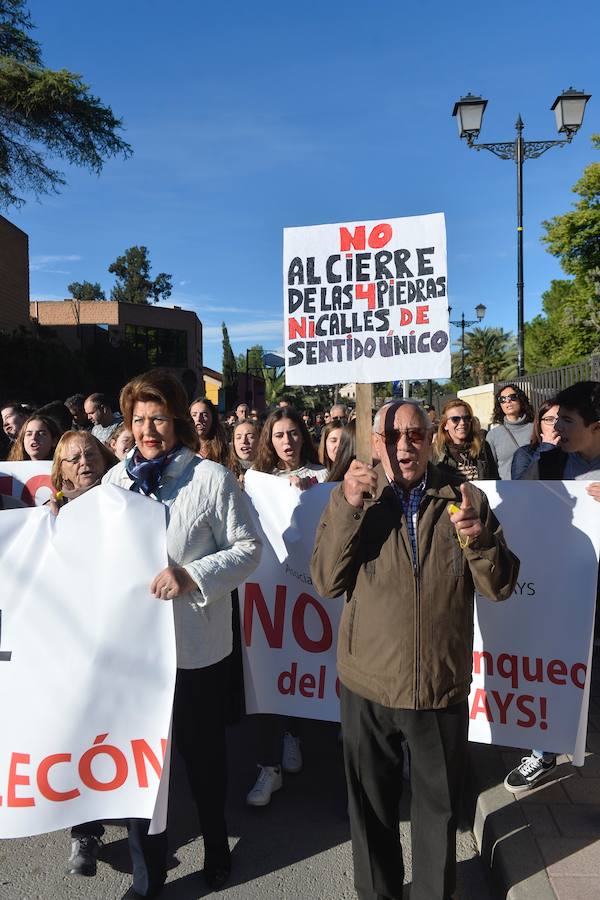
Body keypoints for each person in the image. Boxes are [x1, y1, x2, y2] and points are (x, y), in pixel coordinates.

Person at [311, 400, 519, 900]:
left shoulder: (463, 496)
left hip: (439, 687)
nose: (404, 446)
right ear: (376, 442)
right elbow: (325, 580)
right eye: (392, 436)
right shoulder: (356, 494)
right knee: (371, 813)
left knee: (438, 814)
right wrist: (346, 504)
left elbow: (500, 586)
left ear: (431, 438)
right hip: (369, 685)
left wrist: (480, 538)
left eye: (415, 434)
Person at [104, 370, 261, 898]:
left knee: (202, 759)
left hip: (195, 650)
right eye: (139, 419)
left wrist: (191, 574)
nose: (149, 429)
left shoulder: (209, 479)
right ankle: (149, 875)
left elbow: (248, 549)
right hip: (136, 656)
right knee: (142, 768)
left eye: (160, 418)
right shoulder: (115, 483)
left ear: (177, 422)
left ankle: (216, 847)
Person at [504, 381, 600, 794]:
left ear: (595, 426)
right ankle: (542, 752)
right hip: (561, 586)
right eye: (554, 417)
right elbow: (522, 501)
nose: (556, 425)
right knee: (551, 666)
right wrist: (544, 452)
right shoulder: (553, 459)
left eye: (567, 420)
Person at [245, 407, 327, 807]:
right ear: (269, 440)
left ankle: (293, 736)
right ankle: (269, 767)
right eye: (278, 435)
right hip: (269, 591)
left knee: (302, 667)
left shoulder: (325, 477)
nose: (287, 441)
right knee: (267, 671)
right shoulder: (259, 482)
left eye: (293, 433)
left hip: (311, 589)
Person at [48, 430, 118, 875]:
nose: (82, 463)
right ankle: (84, 832)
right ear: (61, 469)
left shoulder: (126, 506)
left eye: (90, 454)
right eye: (72, 458)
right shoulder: (49, 514)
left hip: (120, 638)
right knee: (79, 734)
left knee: (118, 729)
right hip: (70, 643)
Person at [432, 399, 498, 481]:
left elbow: (493, 478)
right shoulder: (435, 451)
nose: (462, 422)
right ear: (445, 425)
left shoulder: (482, 447)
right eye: (455, 419)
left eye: (467, 418)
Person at [485, 384, 534, 479]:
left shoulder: (535, 429)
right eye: (502, 399)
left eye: (512, 397)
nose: (508, 401)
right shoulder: (493, 435)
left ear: (521, 400)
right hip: (506, 490)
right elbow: (491, 469)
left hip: (533, 487)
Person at [510, 399, 561, 480]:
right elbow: (520, 487)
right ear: (539, 424)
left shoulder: (575, 452)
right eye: (549, 420)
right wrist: (546, 449)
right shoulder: (525, 453)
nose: (555, 426)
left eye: (561, 419)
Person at [189, 397, 229, 465]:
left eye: (204, 415)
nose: (198, 419)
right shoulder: (182, 449)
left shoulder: (225, 450)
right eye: (194, 415)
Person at [228, 418, 259, 483]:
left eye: (250, 437)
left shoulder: (271, 472)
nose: (244, 441)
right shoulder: (225, 471)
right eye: (238, 437)